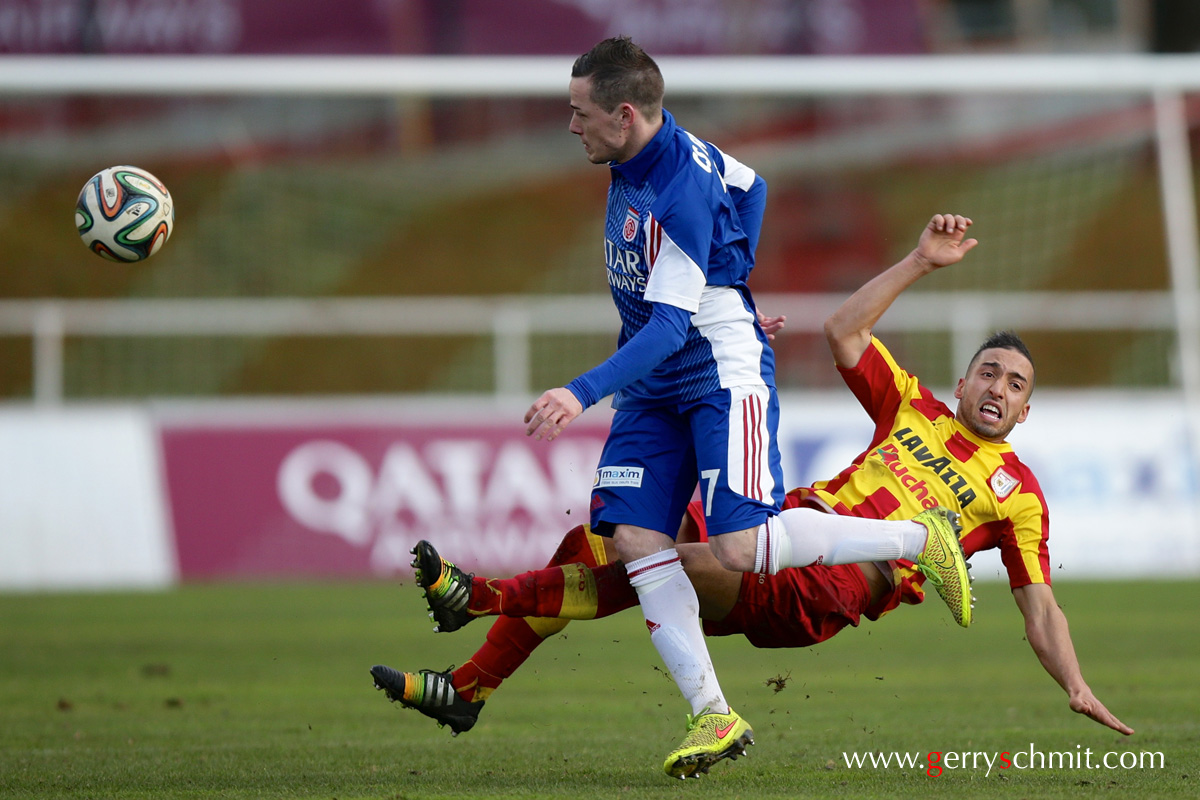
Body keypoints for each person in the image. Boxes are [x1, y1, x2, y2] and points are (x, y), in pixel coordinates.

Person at [413, 36, 970, 779]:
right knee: (636, 542)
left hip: (714, 374)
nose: (570, 125)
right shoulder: (647, 154)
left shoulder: (676, 187)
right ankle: (713, 714)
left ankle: (914, 538)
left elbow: (675, 325)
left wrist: (578, 391)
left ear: (625, 113)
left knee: (740, 547)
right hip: (656, 384)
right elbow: (755, 186)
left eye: (579, 113)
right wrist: (733, 284)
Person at [371, 214, 1133, 747]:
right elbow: (844, 332)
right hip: (782, 523)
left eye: (1016, 384)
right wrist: (919, 264)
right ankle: (469, 688)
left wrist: (1073, 681)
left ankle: (483, 598)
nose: (999, 387)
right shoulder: (912, 406)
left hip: (835, 583)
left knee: (669, 563)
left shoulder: (1019, 495)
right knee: (610, 536)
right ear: (963, 383)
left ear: (1026, 410)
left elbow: (1041, 608)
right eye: (989, 372)